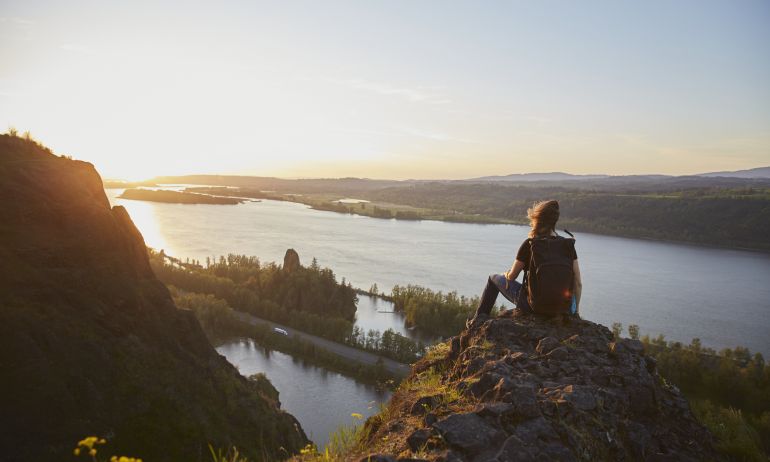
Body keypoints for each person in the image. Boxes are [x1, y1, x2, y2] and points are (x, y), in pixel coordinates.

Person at [467, 200, 582, 326]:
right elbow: (578, 283)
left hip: (533, 306)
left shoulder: (530, 244)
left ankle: (477, 321)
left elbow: (512, 276)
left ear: (537, 220)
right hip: (562, 309)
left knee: (493, 278)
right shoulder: (568, 245)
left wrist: (506, 274)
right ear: (555, 221)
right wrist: (575, 312)